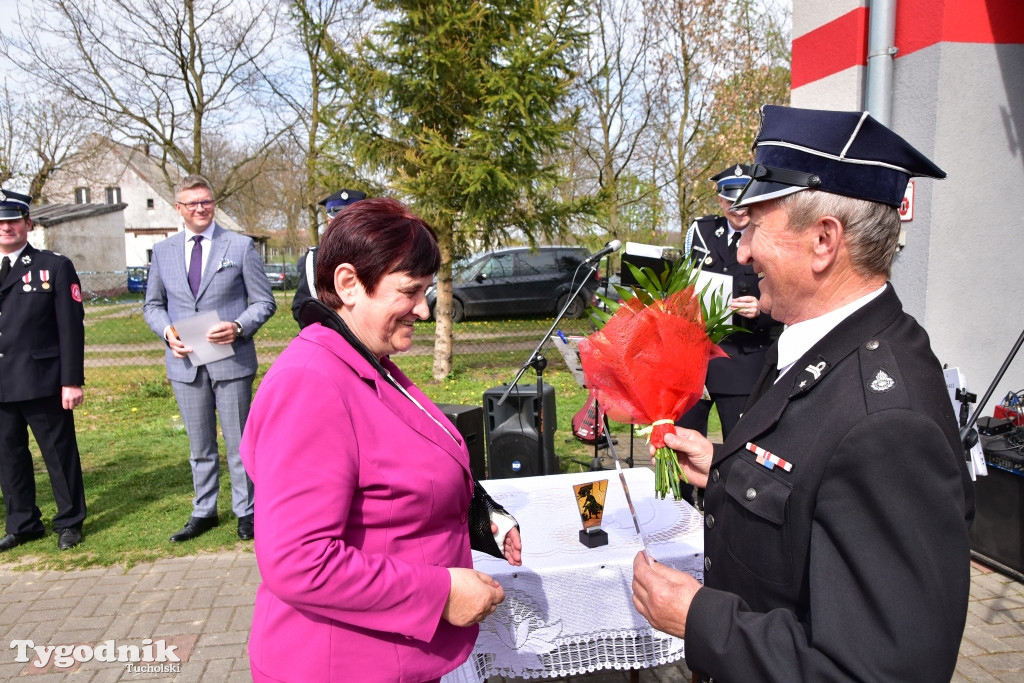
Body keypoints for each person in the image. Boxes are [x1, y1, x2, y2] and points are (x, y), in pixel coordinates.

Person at [631, 105, 974, 682]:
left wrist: (698, 618)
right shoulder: (821, 342)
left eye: (755, 227)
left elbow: (879, 671)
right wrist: (729, 471)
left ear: (823, 240)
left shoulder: (889, 424)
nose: (741, 253)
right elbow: (819, 490)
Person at [241, 197, 522, 682]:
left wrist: (481, 517)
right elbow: (298, 560)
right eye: (410, 291)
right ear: (349, 284)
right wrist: (441, 593)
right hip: (339, 664)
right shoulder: (313, 383)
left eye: (427, 291)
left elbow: (400, 472)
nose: (424, 310)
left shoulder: (368, 363)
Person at [144, 175, 276, 543]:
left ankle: (247, 511)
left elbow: (264, 302)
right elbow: (152, 305)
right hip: (185, 364)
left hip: (230, 361)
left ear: (213, 203)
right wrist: (167, 332)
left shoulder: (240, 246)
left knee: (238, 443)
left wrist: (238, 325)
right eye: (192, 203)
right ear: (179, 209)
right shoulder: (164, 251)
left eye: (206, 201)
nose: (201, 208)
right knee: (199, 445)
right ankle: (204, 511)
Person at [0, 188, 87, 551]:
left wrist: (71, 381)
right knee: (8, 455)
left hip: (42, 380)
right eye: (1, 222)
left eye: (13, 221)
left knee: (58, 452)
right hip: (1, 384)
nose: (6, 228)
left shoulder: (53, 266)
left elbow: (71, 327)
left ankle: (69, 521)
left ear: (28, 224)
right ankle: (22, 523)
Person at [678, 164, 782, 440]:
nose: (738, 208)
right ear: (719, 199)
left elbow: (791, 295)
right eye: (730, 200)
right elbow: (683, 284)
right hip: (696, 363)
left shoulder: (773, 237)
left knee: (739, 446)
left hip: (743, 362)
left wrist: (762, 310)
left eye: (744, 200)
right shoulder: (702, 232)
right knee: (683, 445)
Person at [291, 188, 366, 327]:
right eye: (339, 220)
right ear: (329, 222)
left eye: (351, 219)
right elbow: (301, 307)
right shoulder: (314, 259)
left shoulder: (374, 254)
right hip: (327, 339)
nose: (346, 226)